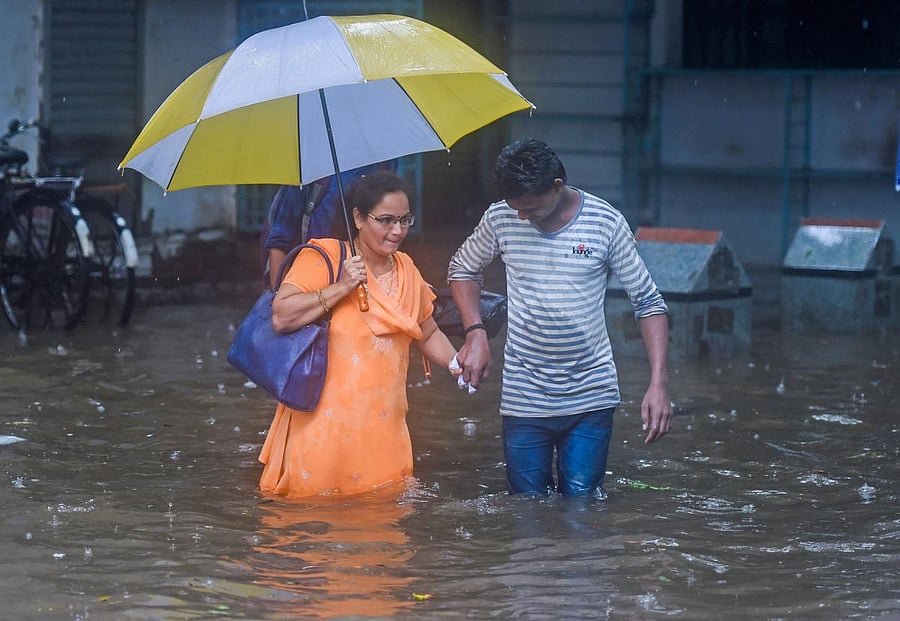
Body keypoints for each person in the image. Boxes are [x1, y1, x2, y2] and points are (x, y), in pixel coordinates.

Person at [447, 138, 672, 497]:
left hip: (590, 395)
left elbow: (648, 303)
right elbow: (462, 269)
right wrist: (475, 332)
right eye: (515, 208)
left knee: (582, 506)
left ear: (557, 187)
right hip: (524, 395)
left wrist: (658, 383)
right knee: (526, 507)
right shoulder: (500, 217)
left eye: (531, 209)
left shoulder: (606, 223)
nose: (522, 217)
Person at [259, 170, 461, 497]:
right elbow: (281, 316)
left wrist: (457, 363)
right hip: (321, 432)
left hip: (384, 429)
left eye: (405, 219)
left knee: (385, 531)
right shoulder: (323, 256)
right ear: (358, 217)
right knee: (313, 530)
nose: (397, 231)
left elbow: (427, 329)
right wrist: (342, 287)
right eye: (386, 220)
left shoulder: (407, 268)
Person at [262, 160, 398, 288]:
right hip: (311, 284)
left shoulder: (385, 161)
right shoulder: (311, 165)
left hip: (365, 285)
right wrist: (280, 299)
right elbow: (279, 242)